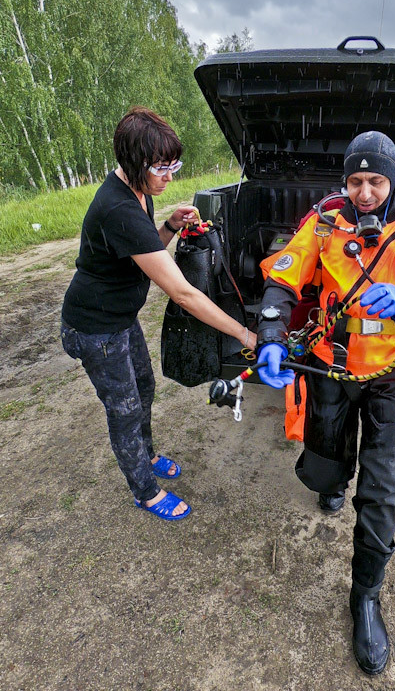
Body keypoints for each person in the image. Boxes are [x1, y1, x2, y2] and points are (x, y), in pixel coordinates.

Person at [255, 131, 395, 675]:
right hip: (330, 364)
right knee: (326, 465)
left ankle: (366, 599)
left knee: (381, 491)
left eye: (377, 180)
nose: (367, 192)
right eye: (356, 180)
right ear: (345, 182)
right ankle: (333, 484)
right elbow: (284, 279)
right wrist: (271, 338)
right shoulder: (326, 222)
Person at [61, 107, 256, 522]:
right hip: (95, 328)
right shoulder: (119, 209)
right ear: (134, 164)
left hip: (119, 319)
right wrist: (243, 332)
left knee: (143, 387)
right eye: (162, 168)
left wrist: (167, 225)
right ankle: (145, 492)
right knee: (125, 408)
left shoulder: (138, 191)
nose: (171, 177)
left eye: (173, 166)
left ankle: (145, 455)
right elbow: (184, 294)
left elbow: (142, 251)